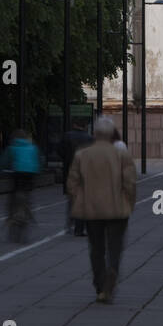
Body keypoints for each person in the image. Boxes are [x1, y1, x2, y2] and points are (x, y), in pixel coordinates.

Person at [66, 116, 137, 303]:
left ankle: (99, 285)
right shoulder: (121, 155)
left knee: (96, 249)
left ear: (95, 133)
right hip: (117, 208)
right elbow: (130, 182)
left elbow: (72, 183)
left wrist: (79, 200)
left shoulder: (83, 154)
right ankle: (112, 271)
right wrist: (130, 202)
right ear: (111, 133)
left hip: (92, 209)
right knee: (115, 247)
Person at [0, 129, 41, 228]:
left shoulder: (12, 147)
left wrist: (0, 170)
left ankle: (10, 217)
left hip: (17, 173)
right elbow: (39, 160)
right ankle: (29, 214)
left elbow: (3, 162)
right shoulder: (33, 147)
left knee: (13, 194)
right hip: (31, 174)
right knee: (27, 193)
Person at [61, 116, 92, 236]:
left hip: (70, 171)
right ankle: (79, 228)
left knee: (72, 198)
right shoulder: (89, 138)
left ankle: (70, 223)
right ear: (84, 126)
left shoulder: (67, 136)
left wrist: (68, 160)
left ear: (74, 124)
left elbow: (60, 151)